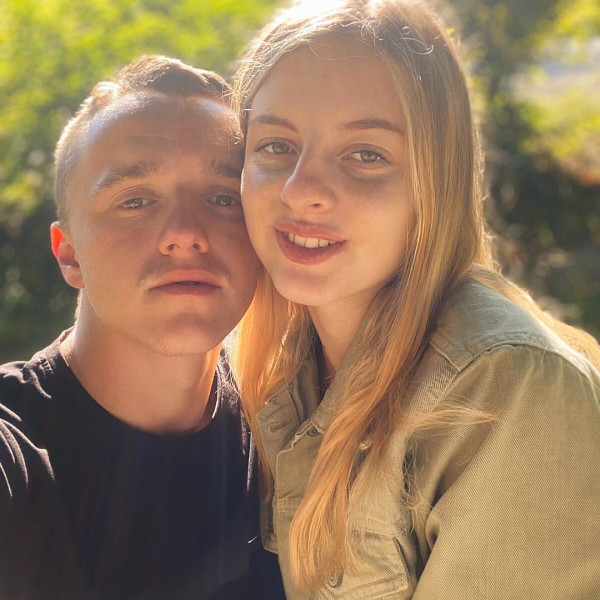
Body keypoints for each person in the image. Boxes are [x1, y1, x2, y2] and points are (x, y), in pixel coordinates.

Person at [231, 1, 600, 598]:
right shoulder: (262, 368)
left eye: (366, 155)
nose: (301, 191)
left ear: (435, 179)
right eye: (275, 146)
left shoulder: (509, 387)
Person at [0, 55, 284, 600]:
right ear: (69, 253)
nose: (186, 232)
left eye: (223, 199)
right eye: (135, 201)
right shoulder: (14, 454)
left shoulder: (297, 432)